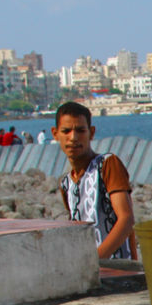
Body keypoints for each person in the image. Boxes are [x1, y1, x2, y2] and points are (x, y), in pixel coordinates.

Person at [52, 100, 137, 259]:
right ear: (55, 134)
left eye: (80, 130)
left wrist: (96, 260)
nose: (73, 137)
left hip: (116, 269)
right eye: (66, 131)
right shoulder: (66, 183)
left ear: (91, 132)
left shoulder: (107, 164)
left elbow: (126, 220)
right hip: (88, 270)